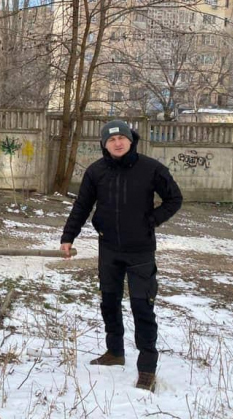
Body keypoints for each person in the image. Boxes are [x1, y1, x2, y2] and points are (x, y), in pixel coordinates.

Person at [60, 120, 182, 393]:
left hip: (140, 250)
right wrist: (68, 237)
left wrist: (152, 220)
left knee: (142, 306)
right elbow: (82, 206)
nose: (117, 143)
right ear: (104, 144)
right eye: (111, 139)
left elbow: (174, 198)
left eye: (122, 138)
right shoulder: (96, 172)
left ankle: (147, 369)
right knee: (109, 301)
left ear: (130, 140)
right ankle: (115, 352)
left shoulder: (151, 169)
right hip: (109, 249)